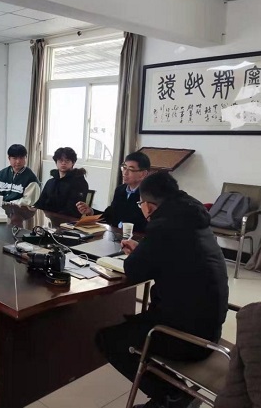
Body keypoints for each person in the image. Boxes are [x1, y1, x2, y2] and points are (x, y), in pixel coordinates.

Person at [97, 172, 229, 408]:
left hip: (185, 338)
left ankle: (172, 396)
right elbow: (174, 257)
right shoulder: (191, 218)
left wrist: (139, 252)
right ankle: (169, 397)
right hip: (210, 329)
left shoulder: (164, 226)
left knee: (109, 340)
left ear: (148, 206)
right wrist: (143, 248)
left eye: (140, 204)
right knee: (133, 327)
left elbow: (134, 270)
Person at [76, 151, 150, 232]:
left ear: (143, 174)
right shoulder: (120, 190)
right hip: (116, 234)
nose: (125, 173)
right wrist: (91, 211)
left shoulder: (148, 195)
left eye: (131, 169)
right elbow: (110, 215)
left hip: (135, 237)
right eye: (124, 168)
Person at [34, 147, 88, 217]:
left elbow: (73, 209)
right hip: (48, 218)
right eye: (60, 160)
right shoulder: (50, 182)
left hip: (68, 220)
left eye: (67, 160)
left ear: (73, 163)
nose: (63, 163)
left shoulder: (79, 182)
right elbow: (40, 203)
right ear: (56, 162)